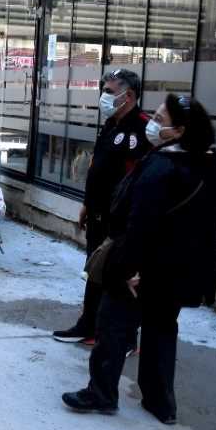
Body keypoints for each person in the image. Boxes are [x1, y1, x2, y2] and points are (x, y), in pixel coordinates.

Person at [62, 95, 216, 425]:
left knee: (113, 327)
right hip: (177, 272)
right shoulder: (208, 165)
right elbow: (204, 230)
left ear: (177, 130)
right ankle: (160, 403)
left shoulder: (163, 166)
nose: (153, 121)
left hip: (141, 267)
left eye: (160, 118)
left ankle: (102, 393)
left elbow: (140, 224)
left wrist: (130, 269)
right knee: (162, 331)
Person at [53, 69, 150, 348]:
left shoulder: (142, 128)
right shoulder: (110, 124)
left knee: (117, 278)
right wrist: (87, 204)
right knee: (94, 271)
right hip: (97, 214)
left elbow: (138, 181)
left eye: (108, 91)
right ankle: (89, 325)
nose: (103, 96)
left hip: (119, 220)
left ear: (128, 95)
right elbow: (98, 168)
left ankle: (123, 337)